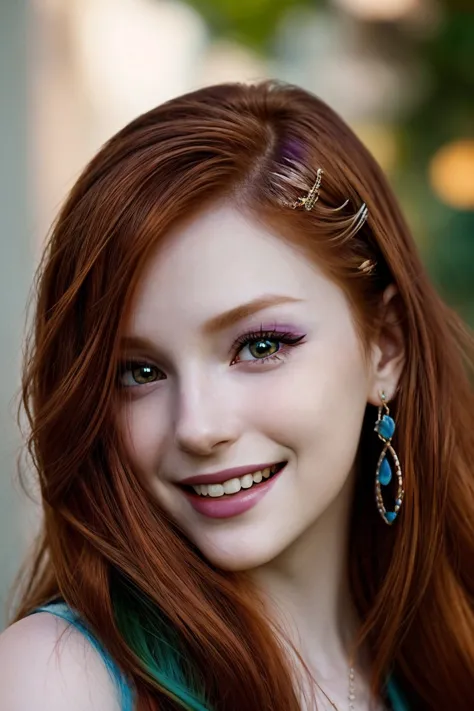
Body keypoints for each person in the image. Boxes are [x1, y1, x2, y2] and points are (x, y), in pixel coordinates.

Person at [1, 81, 473, 711]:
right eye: (140, 372)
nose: (198, 427)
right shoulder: (55, 680)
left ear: (384, 348)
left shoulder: (435, 669)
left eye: (258, 346)